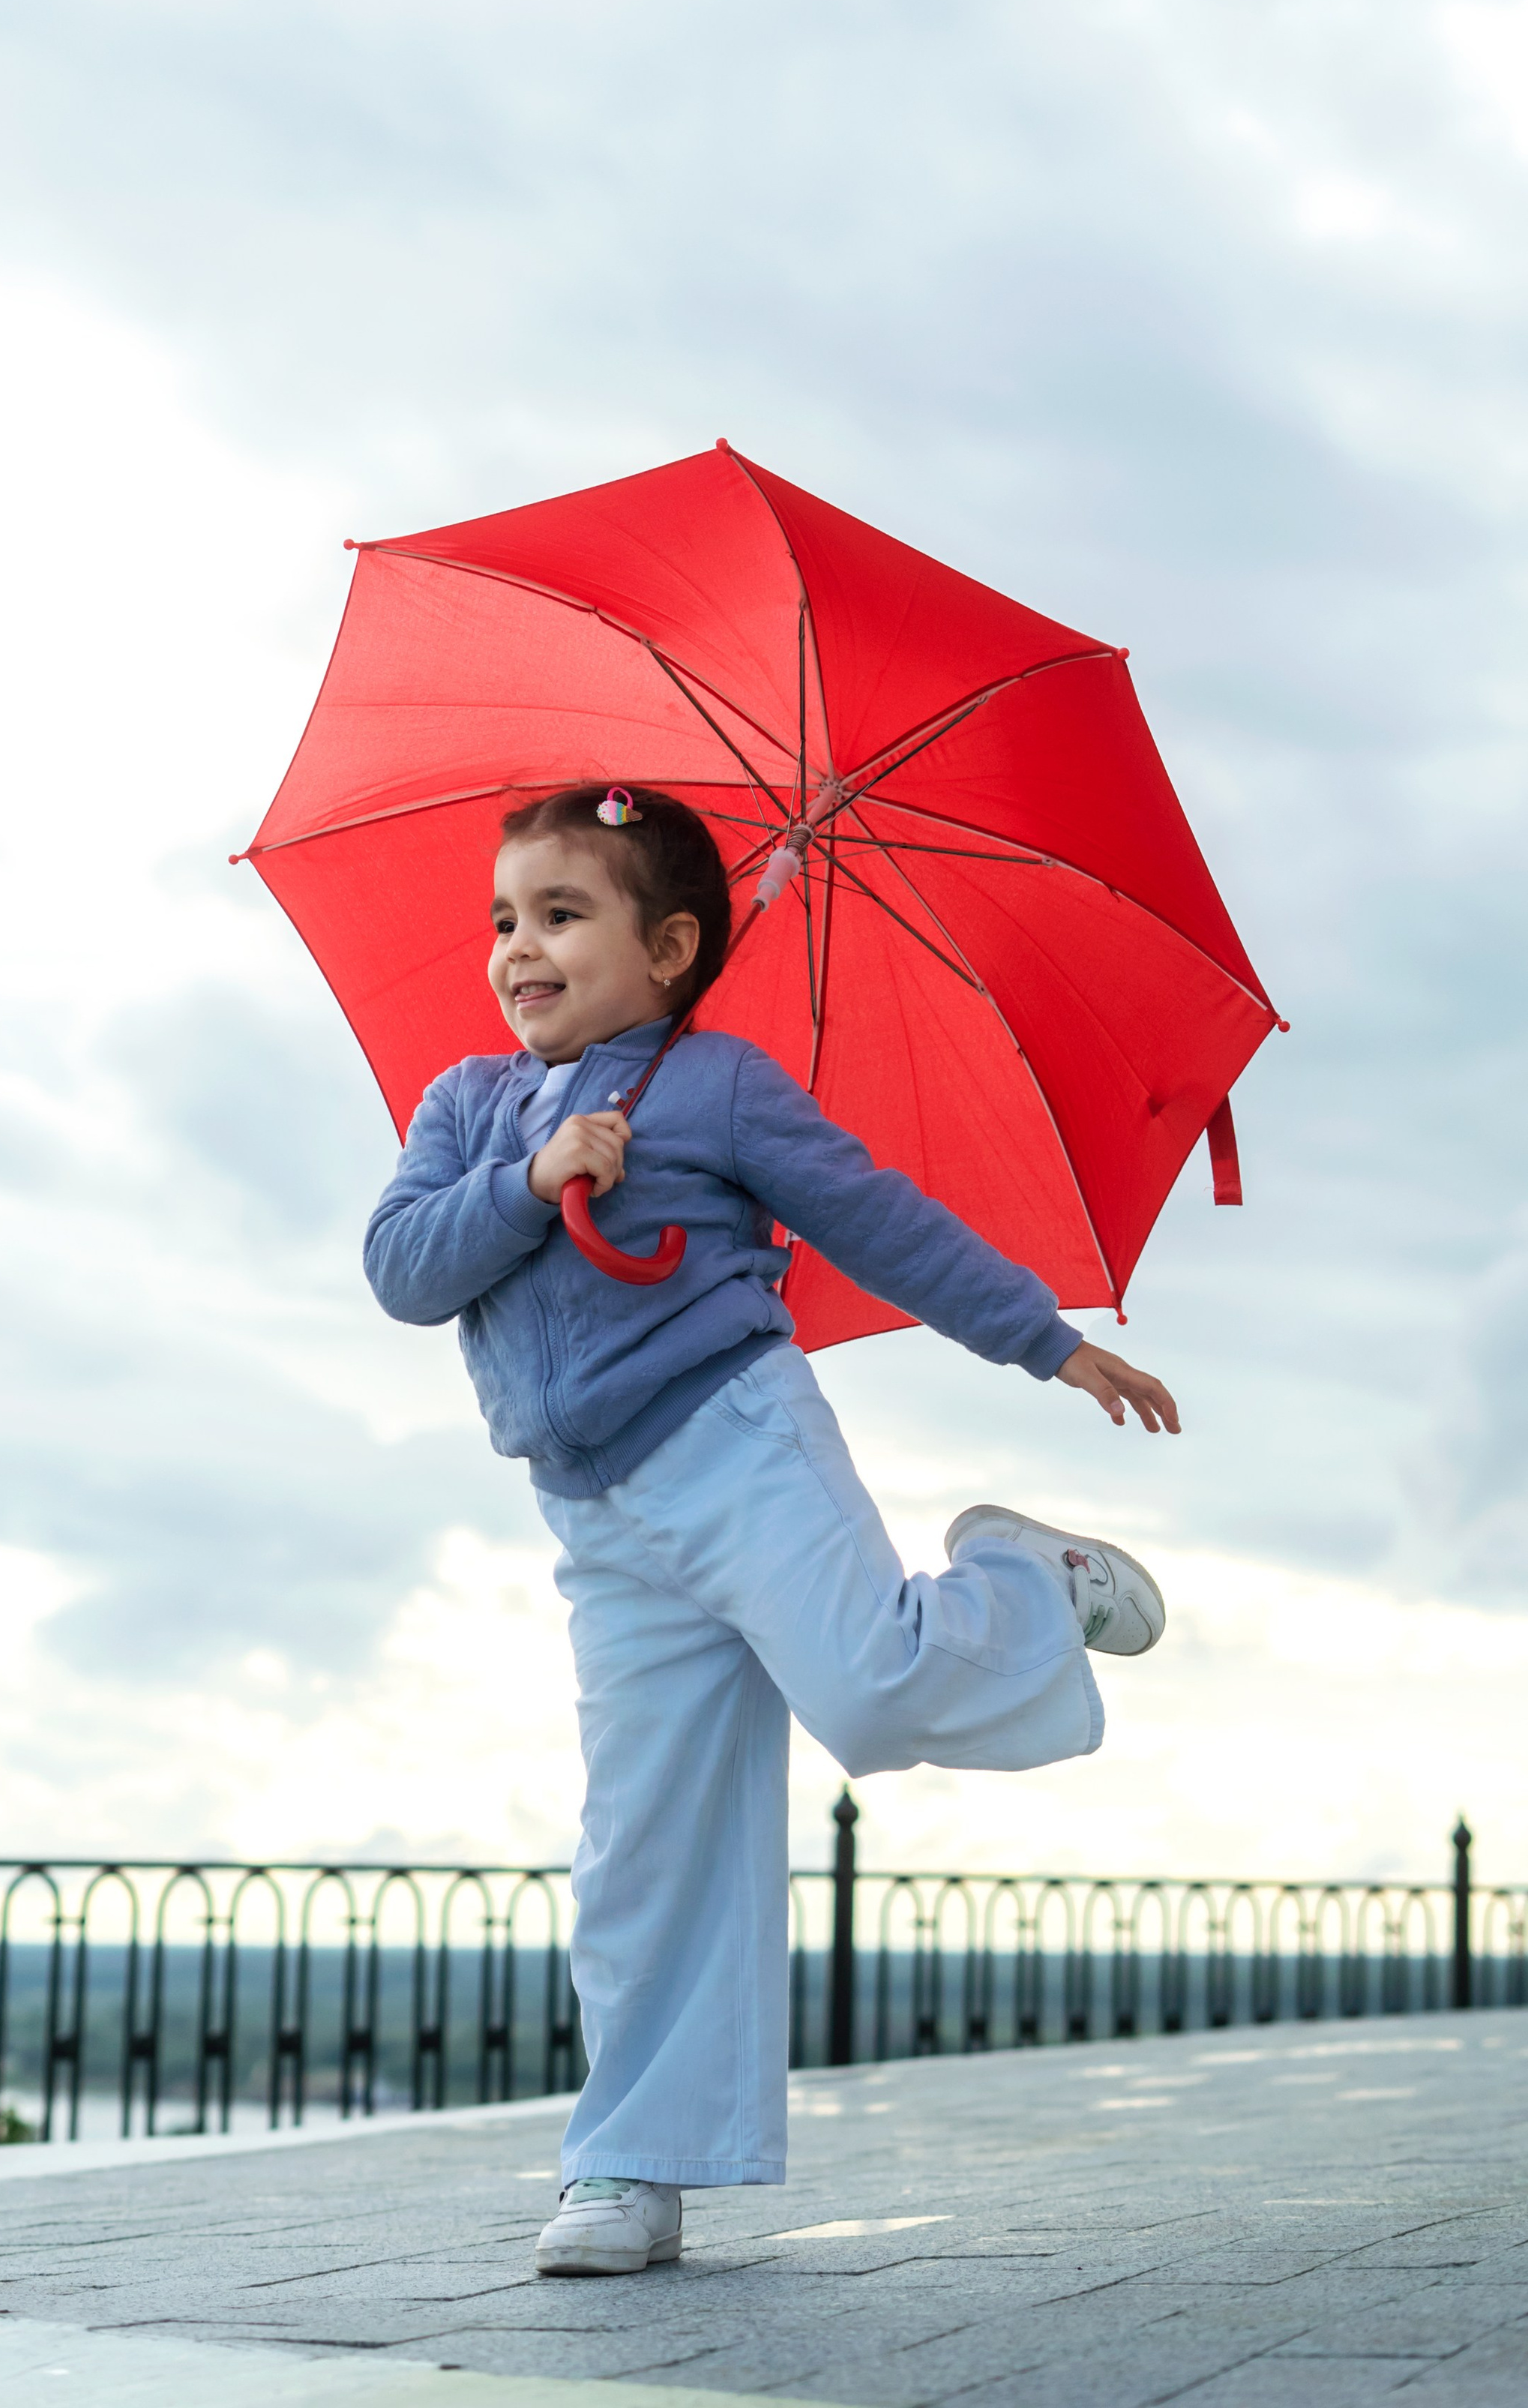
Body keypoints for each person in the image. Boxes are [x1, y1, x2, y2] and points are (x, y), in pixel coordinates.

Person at [364, 783, 1177, 2280]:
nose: (517, 949)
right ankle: (627, 2164)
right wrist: (531, 1180)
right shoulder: (465, 1108)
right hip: (596, 1518)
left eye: (560, 916)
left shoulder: (718, 1085)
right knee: (643, 1838)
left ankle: (1018, 1580)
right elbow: (403, 1266)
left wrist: (1042, 1344)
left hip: (734, 1444)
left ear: (668, 944)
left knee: (869, 1692)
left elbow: (878, 1219)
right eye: (503, 919)